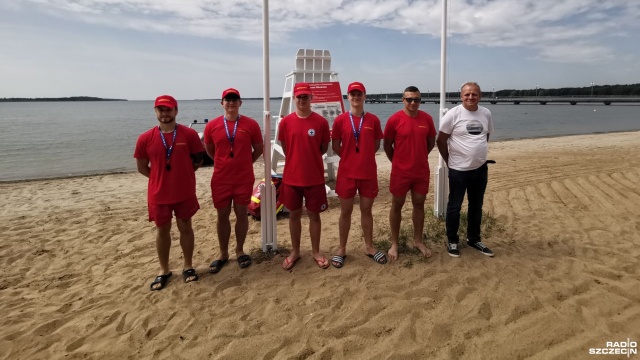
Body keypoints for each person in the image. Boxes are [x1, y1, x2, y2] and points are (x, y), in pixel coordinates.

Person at [134, 95, 205, 291]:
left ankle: (188, 266)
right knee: (162, 231)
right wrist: (159, 178)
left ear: (176, 111)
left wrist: (181, 176)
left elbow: (198, 161)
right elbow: (141, 167)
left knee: (186, 227)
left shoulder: (188, 135)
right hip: (159, 194)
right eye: (161, 110)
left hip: (184, 191)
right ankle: (164, 270)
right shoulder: (145, 138)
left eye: (168, 109)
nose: (165, 113)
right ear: (156, 111)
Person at [204, 88, 264, 273]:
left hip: (243, 178)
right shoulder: (212, 125)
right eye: (227, 99)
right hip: (221, 179)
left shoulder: (251, 124)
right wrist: (223, 163)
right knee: (222, 216)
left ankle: (239, 250)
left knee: (240, 214)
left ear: (240, 103)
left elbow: (259, 148)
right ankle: (223, 254)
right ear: (222, 103)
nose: (231, 102)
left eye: (234, 99)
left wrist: (246, 163)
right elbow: (210, 150)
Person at [330, 81, 386, 268]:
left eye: (359, 94)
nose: (356, 97)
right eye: (352, 94)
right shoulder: (340, 120)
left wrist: (363, 157)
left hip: (368, 173)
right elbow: (336, 145)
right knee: (345, 211)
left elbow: (376, 144)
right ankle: (342, 249)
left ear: (365, 96)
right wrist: (349, 157)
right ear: (348, 97)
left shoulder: (373, 120)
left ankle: (369, 247)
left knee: (366, 211)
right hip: (347, 173)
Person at [436, 82, 495, 257]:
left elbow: (486, 135)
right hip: (458, 170)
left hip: (480, 168)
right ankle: (452, 240)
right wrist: (449, 160)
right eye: (467, 94)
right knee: (454, 206)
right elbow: (440, 140)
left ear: (480, 96)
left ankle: (474, 238)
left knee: (476, 205)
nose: (470, 97)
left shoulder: (486, 113)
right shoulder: (453, 114)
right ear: (461, 96)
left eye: (474, 94)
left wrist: (478, 154)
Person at [278, 82, 331, 270]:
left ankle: (316, 251)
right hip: (292, 178)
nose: (302, 100)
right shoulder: (285, 122)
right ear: (294, 98)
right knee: (294, 215)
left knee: (314, 215)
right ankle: (295, 251)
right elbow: (286, 148)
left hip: (314, 177)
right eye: (299, 97)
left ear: (311, 98)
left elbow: (323, 148)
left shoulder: (321, 122)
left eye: (305, 96)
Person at [383, 86, 436, 261]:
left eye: (417, 99)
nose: (413, 103)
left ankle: (418, 241)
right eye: (409, 99)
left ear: (420, 100)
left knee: (419, 204)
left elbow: (430, 142)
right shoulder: (394, 119)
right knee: (396, 205)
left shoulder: (427, 119)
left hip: (421, 171)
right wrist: (398, 161)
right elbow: (387, 145)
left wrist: (418, 157)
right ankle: (395, 244)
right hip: (400, 172)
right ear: (403, 100)